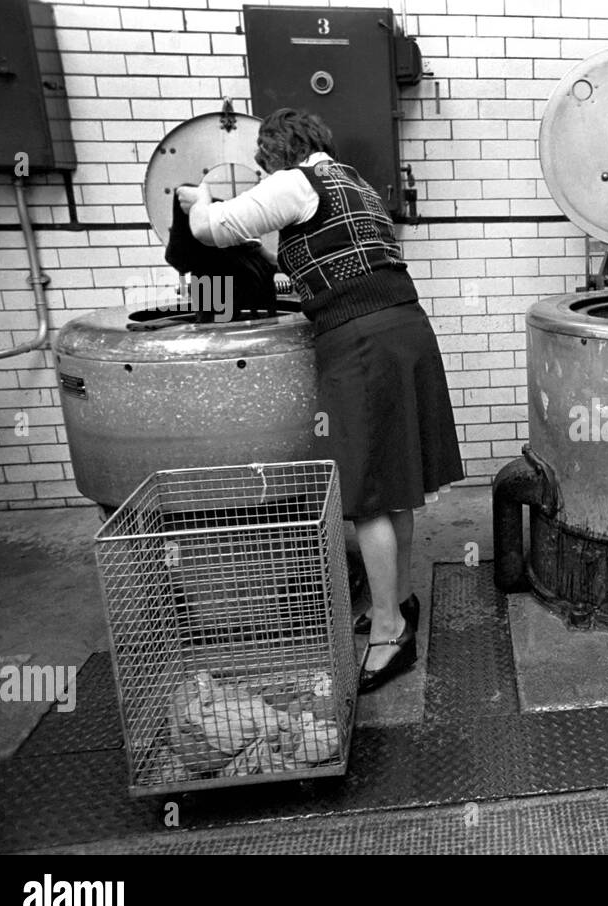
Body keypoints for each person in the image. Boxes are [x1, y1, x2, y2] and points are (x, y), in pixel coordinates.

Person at [176, 108, 465, 694]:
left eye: (261, 164)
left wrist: (195, 197)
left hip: (360, 342)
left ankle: (389, 633)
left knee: (365, 495)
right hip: (404, 328)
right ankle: (400, 601)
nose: (261, 174)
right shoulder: (352, 183)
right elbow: (329, 263)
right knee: (396, 481)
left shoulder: (292, 183)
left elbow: (213, 230)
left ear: (274, 156)